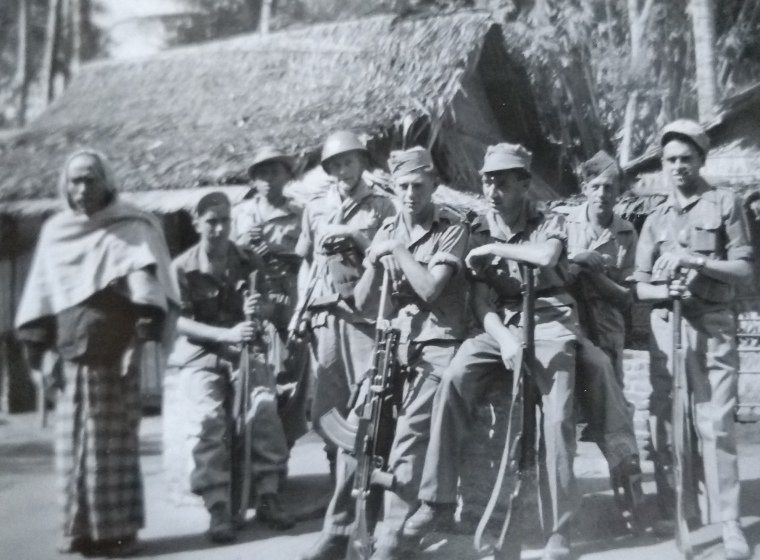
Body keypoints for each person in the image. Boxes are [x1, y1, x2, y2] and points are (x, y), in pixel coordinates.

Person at [404, 143, 579, 560]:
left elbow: (546, 255)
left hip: (552, 318)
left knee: (558, 417)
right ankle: (438, 502)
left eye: (503, 182)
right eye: (487, 181)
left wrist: (496, 251)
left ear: (524, 183)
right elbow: (481, 303)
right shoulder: (479, 227)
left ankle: (559, 529)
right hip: (502, 322)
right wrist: (504, 340)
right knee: (455, 378)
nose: (493, 190)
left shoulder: (548, 219)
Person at [298, 147, 469, 560]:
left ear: (434, 186)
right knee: (356, 432)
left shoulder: (453, 227)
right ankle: (339, 530)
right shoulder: (389, 227)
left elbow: (429, 290)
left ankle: (393, 538)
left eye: (418, 186)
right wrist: (333, 300)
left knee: (409, 437)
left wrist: (396, 249)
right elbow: (362, 301)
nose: (410, 194)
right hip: (392, 345)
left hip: (437, 346)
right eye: (403, 186)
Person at [15, 149, 179, 557]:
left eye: (90, 179)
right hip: (70, 354)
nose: (82, 188)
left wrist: (140, 343)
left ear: (107, 181)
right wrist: (38, 350)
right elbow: (42, 293)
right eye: (74, 180)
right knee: (71, 449)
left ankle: (117, 533)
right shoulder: (57, 231)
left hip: (115, 355)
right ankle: (78, 531)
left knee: (111, 449)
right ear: (64, 185)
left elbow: (147, 292)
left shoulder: (130, 226)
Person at [633, 119, 753, 560]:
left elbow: (743, 270)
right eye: (671, 160)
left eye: (687, 158)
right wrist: (666, 290)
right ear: (662, 165)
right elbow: (640, 287)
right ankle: (679, 512)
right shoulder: (655, 219)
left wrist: (695, 263)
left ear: (701, 159)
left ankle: (730, 524)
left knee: (716, 424)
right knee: (669, 422)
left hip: (713, 326)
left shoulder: (726, 204)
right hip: (669, 328)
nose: (679, 167)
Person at [166, 192, 294, 544]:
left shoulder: (248, 260)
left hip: (244, 352)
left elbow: (270, 304)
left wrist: (261, 307)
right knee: (207, 419)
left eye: (225, 220)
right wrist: (226, 332)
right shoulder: (182, 267)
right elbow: (180, 322)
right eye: (211, 221)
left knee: (264, 408)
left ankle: (269, 494)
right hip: (201, 355)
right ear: (197, 223)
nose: (220, 227)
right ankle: (218, 505)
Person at [293, 131, 396, 474]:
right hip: (326, 315)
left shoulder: (383, 205)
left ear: (363, 162)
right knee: (328, 398)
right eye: (335, 165)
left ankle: (364, 477)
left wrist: (355, 236)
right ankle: (335, 477)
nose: (343, 171)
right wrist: (300, 309)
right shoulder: (315, 209)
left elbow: (391, 257)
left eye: (349, 162)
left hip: (363, 316)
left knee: (365, 397)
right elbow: (306, 262)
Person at [564, 151, 644, 526]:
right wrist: (578, 260)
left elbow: (627, 295)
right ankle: (562, 503)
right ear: (585, 188)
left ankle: (628, 496)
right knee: (563, 412)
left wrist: (593, 274)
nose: (602, 194)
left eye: (610, 188)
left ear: (619, 192)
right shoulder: (564, 225)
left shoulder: (626, 232)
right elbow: (555, 276)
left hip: (609, 334)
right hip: (570, 331)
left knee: (614, 415)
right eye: (596, 186)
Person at [232, 146, 308, 447]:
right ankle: (256, 441)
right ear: (253, 180)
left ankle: (284, 441)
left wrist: (287, 257)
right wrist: (242, 241)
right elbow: (227, 259)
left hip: (290, 294)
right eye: (261, 173)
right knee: (254, 363)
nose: (268, 179)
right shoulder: (240, 214)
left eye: (275, 172)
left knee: (294, 366)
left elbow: (309, 255)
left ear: (288, 176)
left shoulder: (300, 213)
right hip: (254, 294)